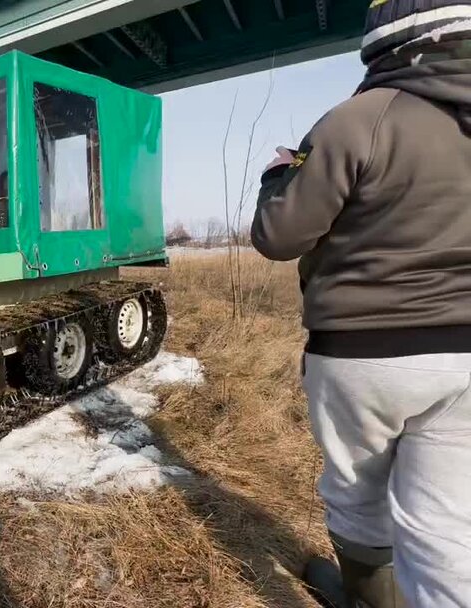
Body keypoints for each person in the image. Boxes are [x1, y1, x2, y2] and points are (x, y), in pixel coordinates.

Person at [251, 3, 471, 607]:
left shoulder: (358, 119)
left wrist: (279, 177)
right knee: (450, 531)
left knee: (358, 493)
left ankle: (367, 599)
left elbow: (279, 237)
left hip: (366, 353)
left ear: (385, 45)